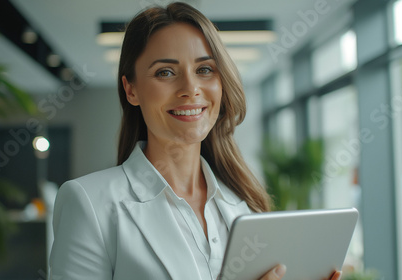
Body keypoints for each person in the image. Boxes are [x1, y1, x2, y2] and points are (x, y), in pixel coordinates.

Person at [49, 2, 341, 280]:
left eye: (204, 70)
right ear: (131, 89)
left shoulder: (245, 206)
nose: (190, 88)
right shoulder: (89, 203)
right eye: (165, 72)